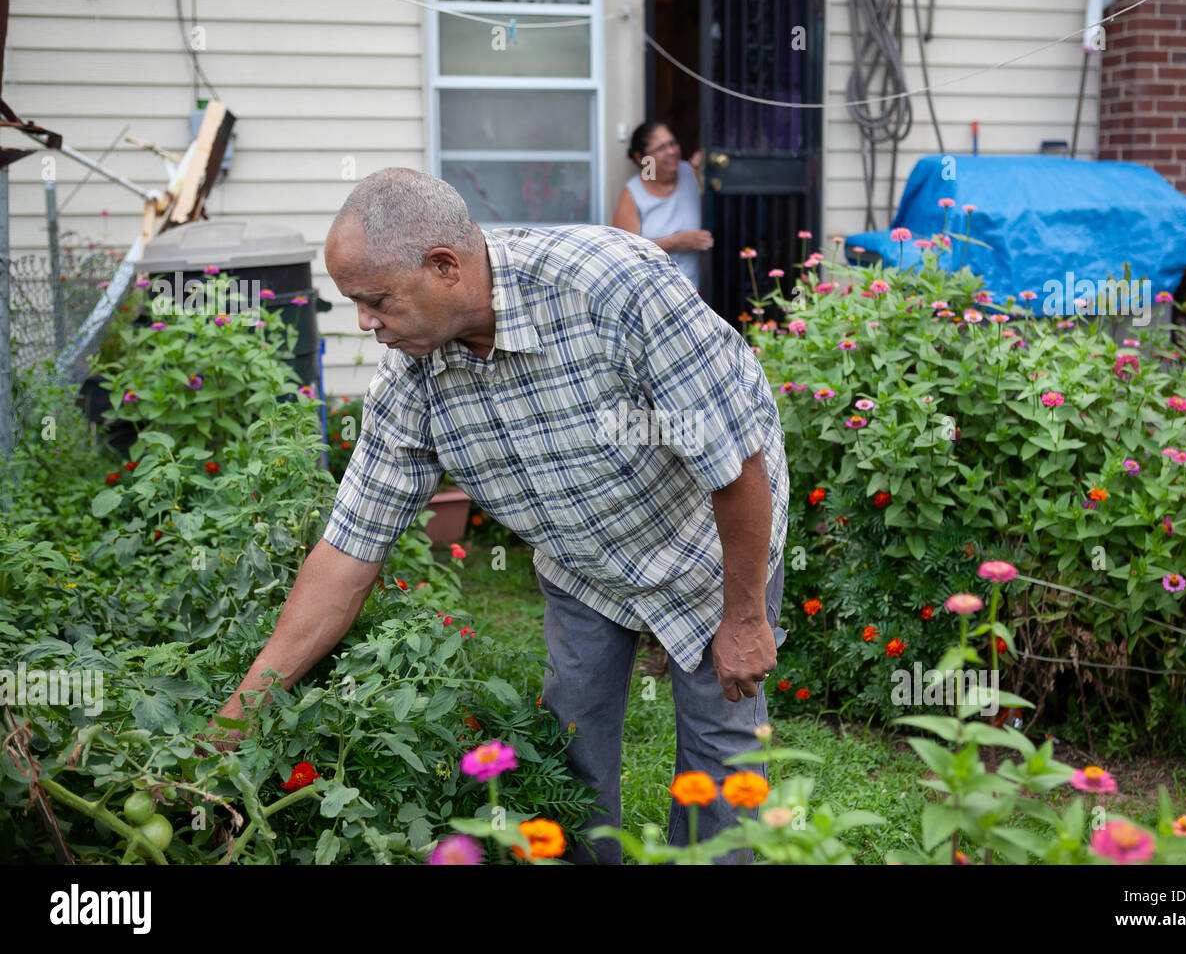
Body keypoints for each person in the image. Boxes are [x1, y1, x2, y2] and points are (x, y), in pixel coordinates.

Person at [203, 168, 789, 865]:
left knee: (719, 754)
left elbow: (735, 466)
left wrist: (746, 618)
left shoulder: (613, 286)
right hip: (583, 561)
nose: (365, 323)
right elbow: (348, 553)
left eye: (375, 301)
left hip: (707, 542)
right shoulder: (410, 381)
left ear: (445, 267)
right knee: (568, 749)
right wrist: (241, 711)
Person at [612, 121, 713, 289]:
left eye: (673, 143)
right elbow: (624, 253)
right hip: (652, 296)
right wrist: (674, 242)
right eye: (661, 148)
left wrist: (704, 166)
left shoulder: (692, 173)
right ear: (641, 158)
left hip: (696, 293)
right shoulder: (633, 193)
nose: (672, 151)